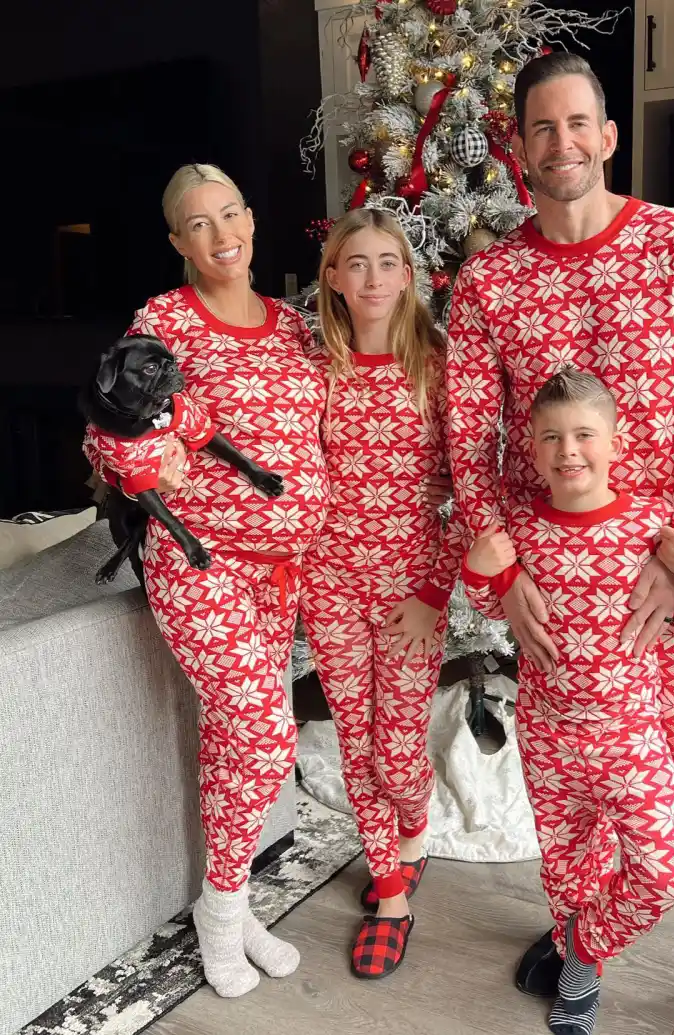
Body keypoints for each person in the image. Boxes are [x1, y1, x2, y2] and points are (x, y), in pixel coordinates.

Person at [446, 51, 674, 1020]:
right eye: (542, 128)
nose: (562, 142)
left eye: (579, 123)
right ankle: (585, 951)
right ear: (519, 151)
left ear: (608, 137)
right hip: (554, 589)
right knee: (570, 794)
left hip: (662, 576)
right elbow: (469, 438)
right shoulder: (490, 283)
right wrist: (500, 579)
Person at [83, 163, 330, 998]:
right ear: (177, 242)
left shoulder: (296, 328)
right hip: (203, 565)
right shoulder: (164, 320)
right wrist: (157, 457)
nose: (221, 234)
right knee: (264, 735)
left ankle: (227, 900)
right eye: (199, 223)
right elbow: (106, 435)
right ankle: (223, 911)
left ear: (252, 220)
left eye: (230, 214)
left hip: (279, 574)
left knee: (236, 740)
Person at [461, 368, 674, 1035]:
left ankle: (582, 948)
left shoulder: (652, 529)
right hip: (549, 740)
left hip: (631, 738)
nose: (568, 450)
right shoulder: (519, 530)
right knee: (568, 872)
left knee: (666, 868)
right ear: (530, 446)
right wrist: (477, 566)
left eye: (584, 434)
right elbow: (492, 607)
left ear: (616, 441)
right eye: (551, 436)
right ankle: (582, 976)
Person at [297, 208, 468, 978]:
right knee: (355, 739)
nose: (372, 277)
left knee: (398, 751)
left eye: (387, 262)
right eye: (355, 263)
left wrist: (435, 591)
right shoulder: (312, 368)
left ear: (409, 274)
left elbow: (470, 493)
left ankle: (413, 830)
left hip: (410, 590)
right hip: (330, 583)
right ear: (332, 277)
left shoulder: (437, 366)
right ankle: (391, 888)